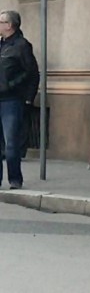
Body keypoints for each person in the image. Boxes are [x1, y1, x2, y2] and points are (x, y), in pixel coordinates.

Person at [0, 10, 39, 189]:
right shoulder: (1, 44)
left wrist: (26, 96)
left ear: (9, 25)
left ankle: (15, 179)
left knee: (11, 142)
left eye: (1, 22)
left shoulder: (22, 45)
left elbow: (31, 72)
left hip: (11, 100)